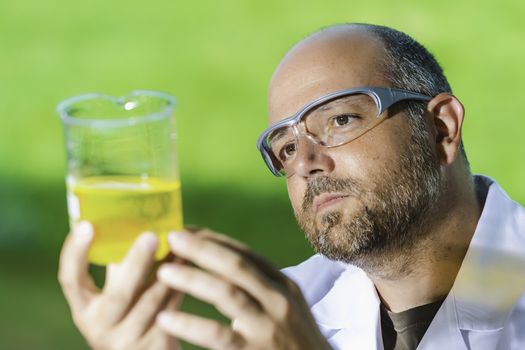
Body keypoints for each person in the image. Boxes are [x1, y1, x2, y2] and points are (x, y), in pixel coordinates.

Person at [58, 23, 525, 350]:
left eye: (340, 120)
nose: (304, 163)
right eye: (284, 148)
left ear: (442, 128)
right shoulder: (295, 304)